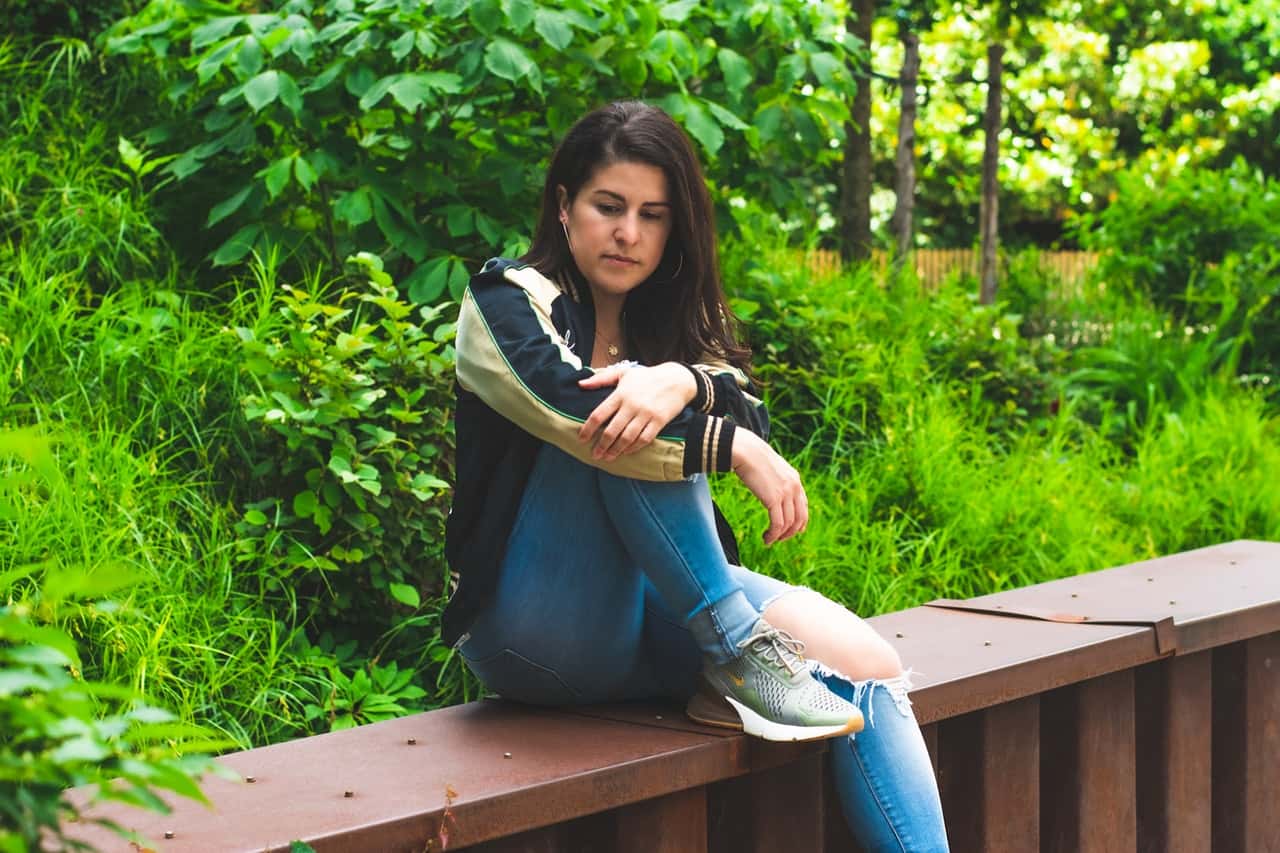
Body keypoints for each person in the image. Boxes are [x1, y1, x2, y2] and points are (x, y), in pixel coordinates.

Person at [443, 100, 949, 851]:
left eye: (652, 215)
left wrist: (680, 376)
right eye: (608, 207)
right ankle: (738, 653)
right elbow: (580, 413)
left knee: (870, 669)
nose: (629, 233)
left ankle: (738, 666)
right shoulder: (503, 302)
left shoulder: (671, 323)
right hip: (537, 627)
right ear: (564, 205)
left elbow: (747, 407)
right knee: (621, 413)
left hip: (653, 615)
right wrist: (725, 440)